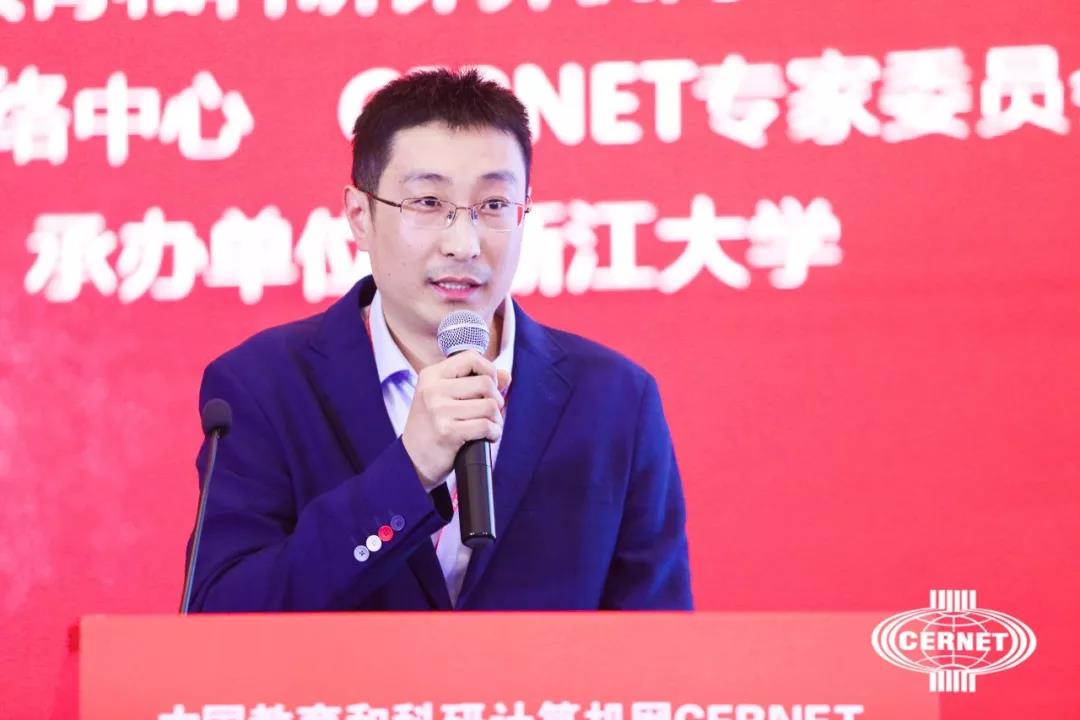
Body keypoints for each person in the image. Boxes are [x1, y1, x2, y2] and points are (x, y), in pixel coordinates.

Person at [186, 68, 692, 611]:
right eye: (428, 203)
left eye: (494, 205)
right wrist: (406, 475)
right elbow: (220, 613)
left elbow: (658, 642)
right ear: (359, 216)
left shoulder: (616, 400)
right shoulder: (262, 387)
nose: (463, 243)